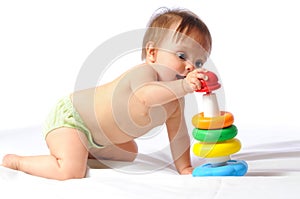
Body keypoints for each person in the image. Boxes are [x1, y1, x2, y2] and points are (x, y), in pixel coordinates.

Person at [2, 7, 212, 180]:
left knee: (130, 153)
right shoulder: (144, 74)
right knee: (70, 172)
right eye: (182, 55)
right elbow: (147, 96)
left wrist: (184, 168)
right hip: (72, 119)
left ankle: (83, 151)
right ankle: (19, 161)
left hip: (99, 140)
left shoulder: (176, 100)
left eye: (199, 62)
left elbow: (179, 135)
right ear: (153, 53)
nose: (190, 67)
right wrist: (184, 86)